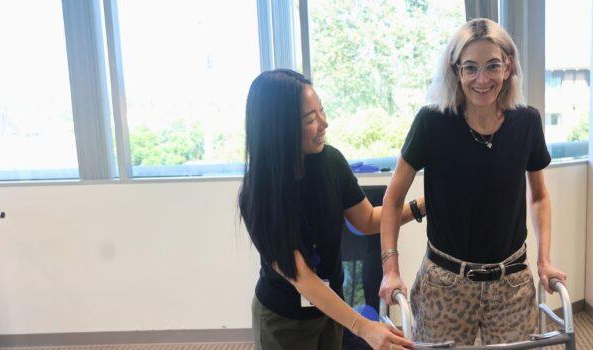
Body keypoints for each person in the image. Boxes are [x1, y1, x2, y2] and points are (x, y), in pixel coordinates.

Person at [378, 18, 566, 346]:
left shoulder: (527, 121)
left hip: (511, 282)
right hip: (445, 283)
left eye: (493, 65)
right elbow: (392, 201)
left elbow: (539, 197)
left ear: (508, 66)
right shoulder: (432, 122)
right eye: (470, 68)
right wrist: (390, 269)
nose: (482, 79)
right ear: (456, 71)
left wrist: (544, 260)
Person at [239, 69, 425, 350]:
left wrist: (422, 205)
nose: (324, 123)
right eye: (310, 119)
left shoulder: (331, 161)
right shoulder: (259, 193)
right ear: (280, 129)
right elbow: (302, 276)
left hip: (332, 312)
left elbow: (367, 220)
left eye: (321, 111)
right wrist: (363, 327)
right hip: (284, 321)